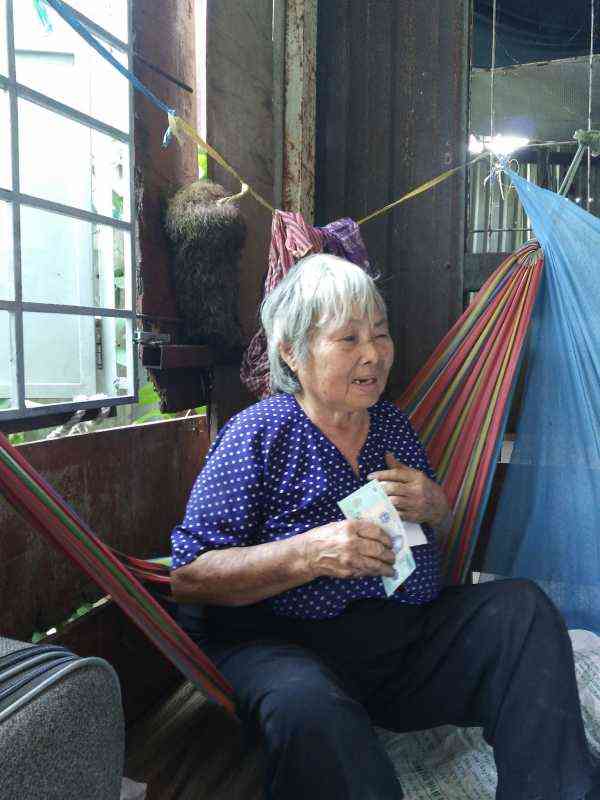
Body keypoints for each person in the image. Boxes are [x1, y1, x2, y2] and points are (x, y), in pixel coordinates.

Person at [171, 254, 600, 800]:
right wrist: (310, 553)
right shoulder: (257, 435)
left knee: (522, 611)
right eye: (349, 338)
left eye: (380, 333)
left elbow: (434, 538)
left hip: (398, 643)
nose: (373, 354)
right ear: (292, 352)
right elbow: (190, 575)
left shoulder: (392, 426)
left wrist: (437, 506)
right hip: (284, 644)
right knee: (310, 709)